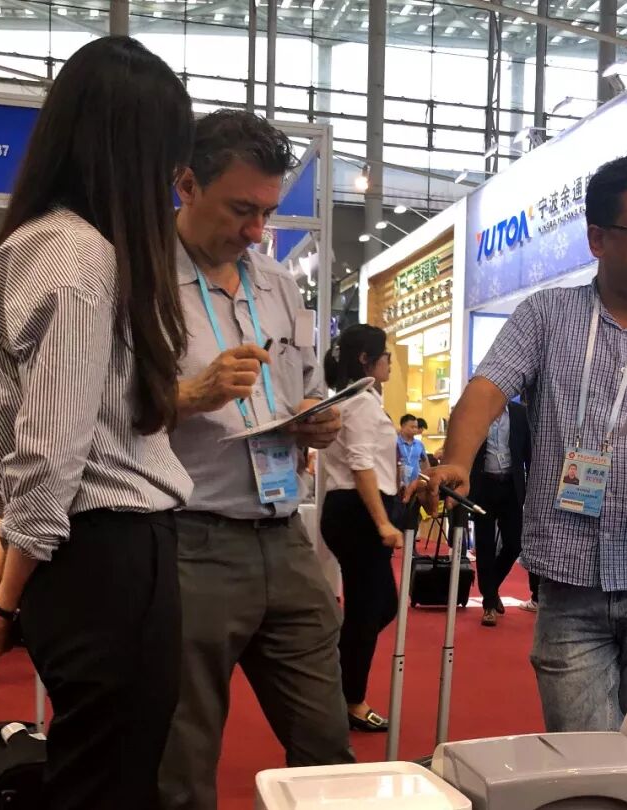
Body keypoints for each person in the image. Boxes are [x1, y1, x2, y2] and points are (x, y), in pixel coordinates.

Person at [0, 37, 196, 808]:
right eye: (168, 159)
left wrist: (0, 578)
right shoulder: (80, 256)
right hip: (109, 559)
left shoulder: (34, 245)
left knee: (97, 773)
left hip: (82, 564)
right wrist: (3, 600)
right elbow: (50, 458)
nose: (173, 184)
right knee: (110, 783)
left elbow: (17, 448)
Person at [418, 156, 627, 732]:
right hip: (571, 579)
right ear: (597, 238)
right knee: (585, 755)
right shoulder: (546, 316)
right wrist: (458, 461)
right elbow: (487, 389)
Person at [158, 109, 352, 809]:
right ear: (186, 184)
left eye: (267, 212)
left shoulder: (276, 284)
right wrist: (191, 395)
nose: (256, 231)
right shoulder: (136, 280)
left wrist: (317, 417)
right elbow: (97, 411)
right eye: (242, 209)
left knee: (327, 745)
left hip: (285, 534)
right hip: (189, 541)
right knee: (183, 757)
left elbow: (306, 385)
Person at [321, 324, 402, 733]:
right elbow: (361, 465)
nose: (390, 362)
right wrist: (383, 522)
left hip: (355, 509)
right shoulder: (360, 403)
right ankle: (351, 700)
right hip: (358, 512)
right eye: (385, 355)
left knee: (378, 607)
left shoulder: (357, 399)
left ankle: (336, 680)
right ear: (365, 360)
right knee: (368, 610)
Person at [471, 400, 530, 627]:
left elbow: (528, 452)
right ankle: (488, 605)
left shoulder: (519, 413)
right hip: (483, 486)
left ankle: (491, 588)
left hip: (511, 487)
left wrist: (531, 488)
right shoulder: (478, 411)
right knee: (484, 545)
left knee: (515, 544)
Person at [397, 413, 429, 489]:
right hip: (399, 485)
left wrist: (426, 478)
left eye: (416, 427)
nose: (415, 429)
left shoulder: (419, 444)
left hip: (416, 485)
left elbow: (425, 462)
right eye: (412, 427)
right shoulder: (395, 443)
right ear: (403, 427)